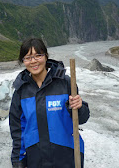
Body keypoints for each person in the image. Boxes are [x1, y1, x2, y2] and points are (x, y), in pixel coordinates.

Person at [9, 37, 90, 168]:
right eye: (28, 57)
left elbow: (82, 118)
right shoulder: (21, 91)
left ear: (46, 56)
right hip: (35, 159)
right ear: (23, 61)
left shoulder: (65, 83)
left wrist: (79, 107)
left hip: (67, 157)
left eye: (38, 55)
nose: (33, 61)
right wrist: (18, 161)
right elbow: (18, 130)